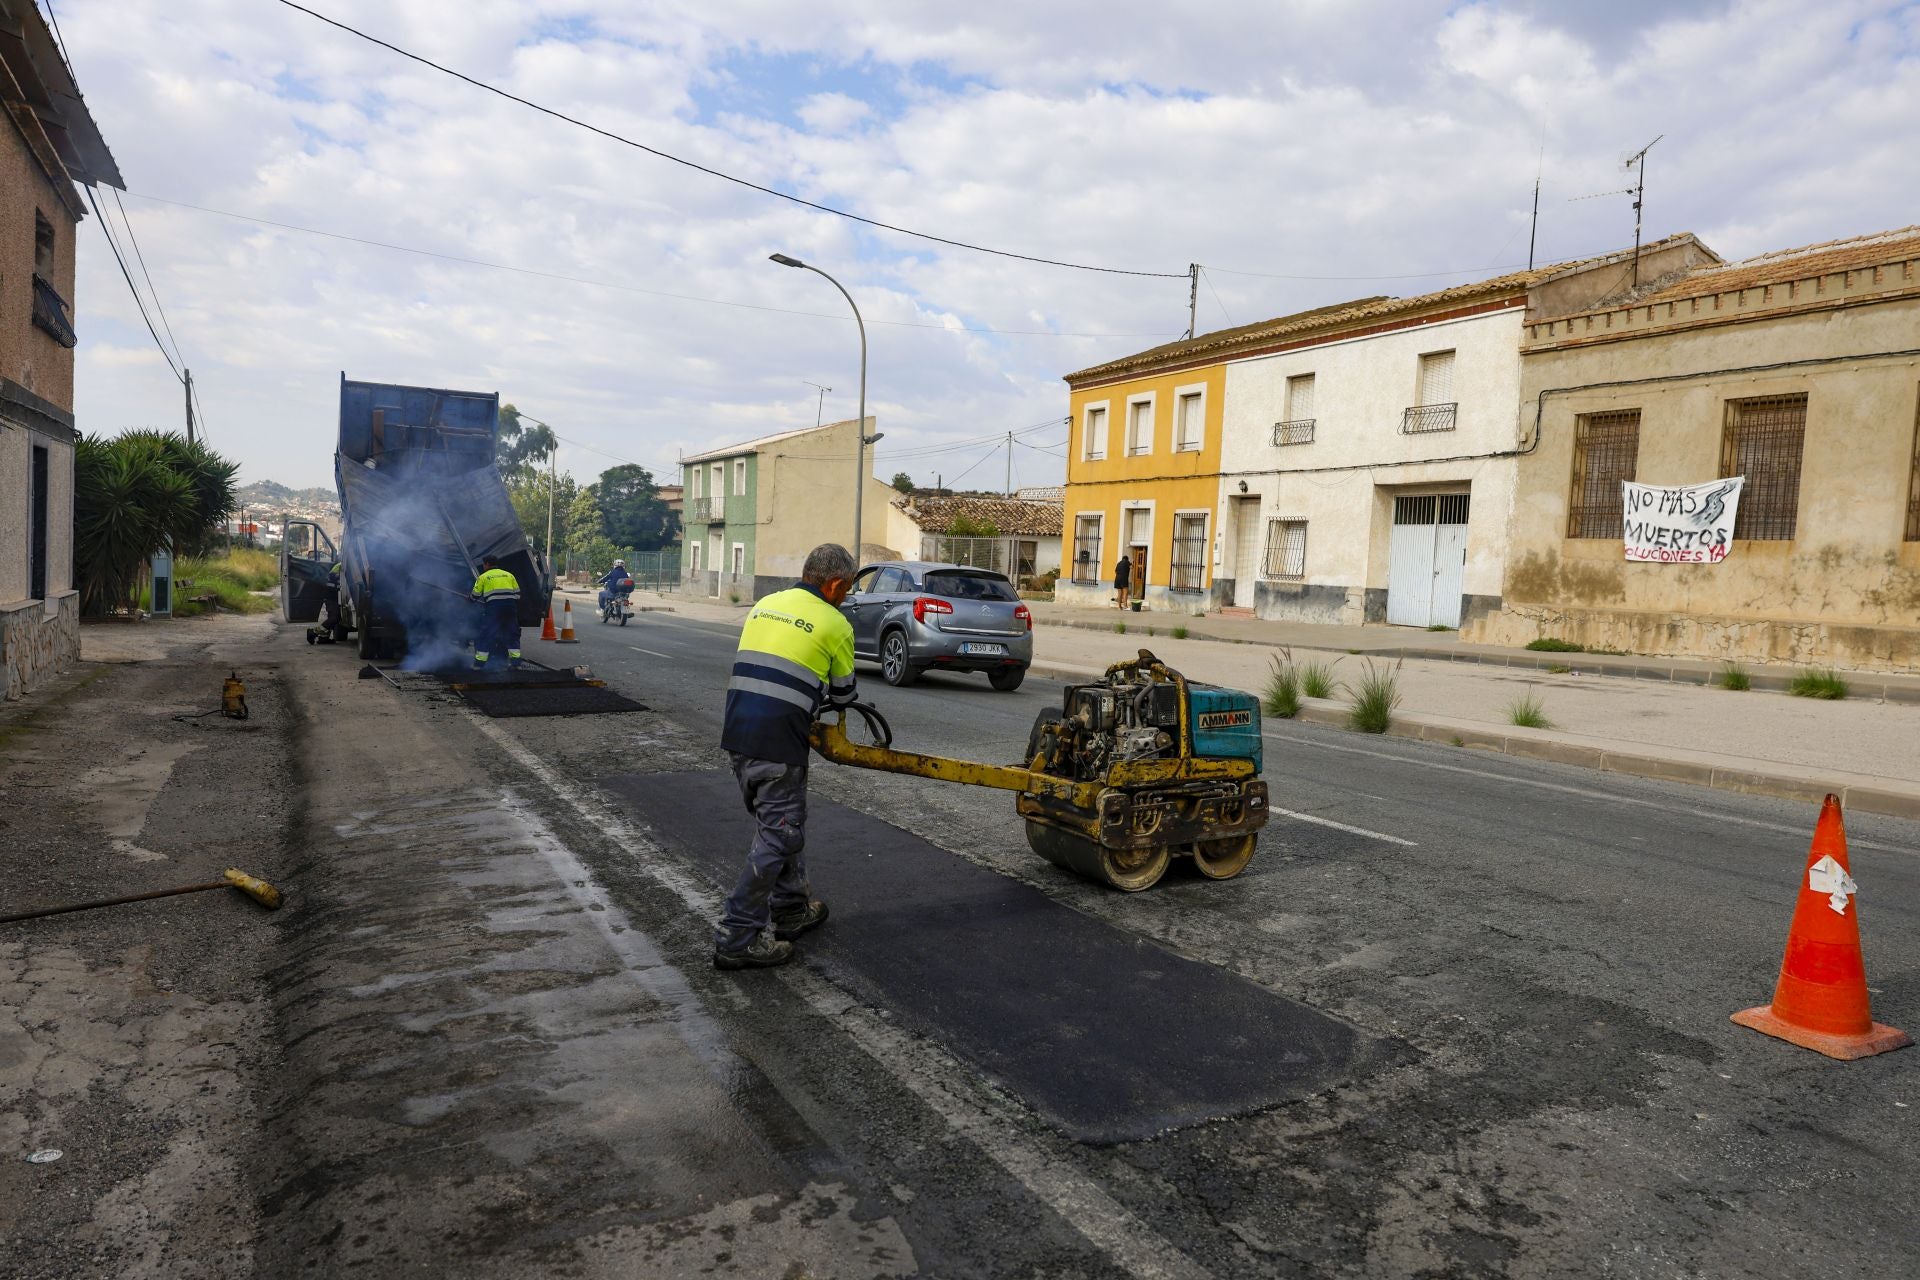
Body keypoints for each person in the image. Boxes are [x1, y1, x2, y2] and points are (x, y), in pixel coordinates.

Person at [713, 542, 858, 971]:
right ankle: (737, 936)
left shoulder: (766, 604)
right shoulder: (835, 622)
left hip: (738, 731)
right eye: (846, 589)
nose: (846, 596)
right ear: (834, 585)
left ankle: (792, 908)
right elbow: (845, 693)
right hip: (779, 740)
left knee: (781, 823)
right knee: (779, 833)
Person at [469, 555, 522, 670]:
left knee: (486, 634)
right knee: (512, 634)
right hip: (510, 608)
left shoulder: (483, 577)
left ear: (487, 564)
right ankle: (516, 664)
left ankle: (479, 665)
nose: (483, 566)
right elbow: (517, 595)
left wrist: (470, 599)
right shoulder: (509, 575)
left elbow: (474, 596)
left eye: (484, 564)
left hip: (494, 609)